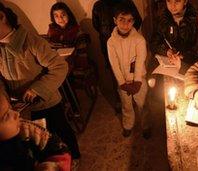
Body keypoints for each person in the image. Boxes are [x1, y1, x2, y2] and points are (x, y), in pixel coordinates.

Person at [0, 2, 80, 166]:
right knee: (39, 141)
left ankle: (75, 158)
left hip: (47, 101)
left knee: (61, 132)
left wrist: (37, 89)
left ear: (2, 17)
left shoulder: (30, 41)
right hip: (22, 108)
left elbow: (60, 66)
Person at [107, 3, 149, 138]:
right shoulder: (111, 42)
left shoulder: (139, 40)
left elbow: (139, 61)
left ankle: (146, 125)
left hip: (139, 80)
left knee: (143, 104)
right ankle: (128, 125)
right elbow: (114, 64)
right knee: (126, 105)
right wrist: (122, 83)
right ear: (115, 20)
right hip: (123, 81)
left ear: (134, 21)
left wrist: (137, 82)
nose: (125, 24)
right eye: (121, 20)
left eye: (129, 20)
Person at [0, 91, 71, 171]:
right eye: (6, 116)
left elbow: (58, 148)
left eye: (10, 108)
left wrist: (54, 164)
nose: (17, 114)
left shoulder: (26, 130)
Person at [150, 0, 198, 73]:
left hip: (189, 66)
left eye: (177, 1)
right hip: (168, 67)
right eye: (169, 1)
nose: (172, 5)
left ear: (185, 1)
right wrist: (166, 51)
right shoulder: (163, 18)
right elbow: (154, 42)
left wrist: (183, 56)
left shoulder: (196, 20)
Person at [92, 0, 142, 68]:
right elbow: (96, 25)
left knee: (132, 71)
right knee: (116, 72)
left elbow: (137, 21)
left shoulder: (127, 2)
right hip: (108, 46)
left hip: (126, 44)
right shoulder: (98, 6)